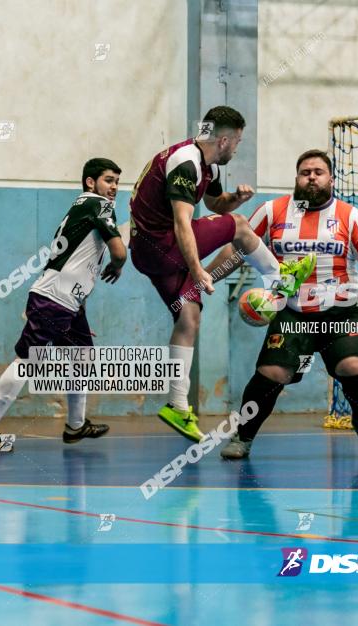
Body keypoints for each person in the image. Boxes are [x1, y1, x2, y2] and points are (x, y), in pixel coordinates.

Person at [215, 149, 358, 459]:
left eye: (318, 172)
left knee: (356, 367)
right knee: (272, 372)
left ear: (331, 179)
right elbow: (239, 249)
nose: (311, 177)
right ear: (296, 178)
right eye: (305, 172)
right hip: (292, 312)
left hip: (342, 312)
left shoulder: (350, 216)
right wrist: (205, 278)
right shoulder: (272, 210)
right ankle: (243, 437)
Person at [128, 106, 315, 442]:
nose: (237, 149)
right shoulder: (186, 163)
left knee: (189, 316)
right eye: (238, 143)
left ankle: (177, 405)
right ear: (224, 140)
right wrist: (198, 270)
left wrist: (236, 198)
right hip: (160, 245)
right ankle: (280, 277)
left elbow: (216, 206)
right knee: (241, 228)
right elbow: (182, 222)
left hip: (150, 253)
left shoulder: (204, 165)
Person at [0, 158, 126, 451]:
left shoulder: (81, 207)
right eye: (108, 180)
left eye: (117, 181)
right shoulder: (98, 204)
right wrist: (118, 264)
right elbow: (118, 250)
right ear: (91, 182)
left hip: (68, 300)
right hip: (56, 298)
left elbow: (78, 260)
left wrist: (79, 305)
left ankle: (76, 425)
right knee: (27, 361)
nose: (114, 187)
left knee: (81, 359)